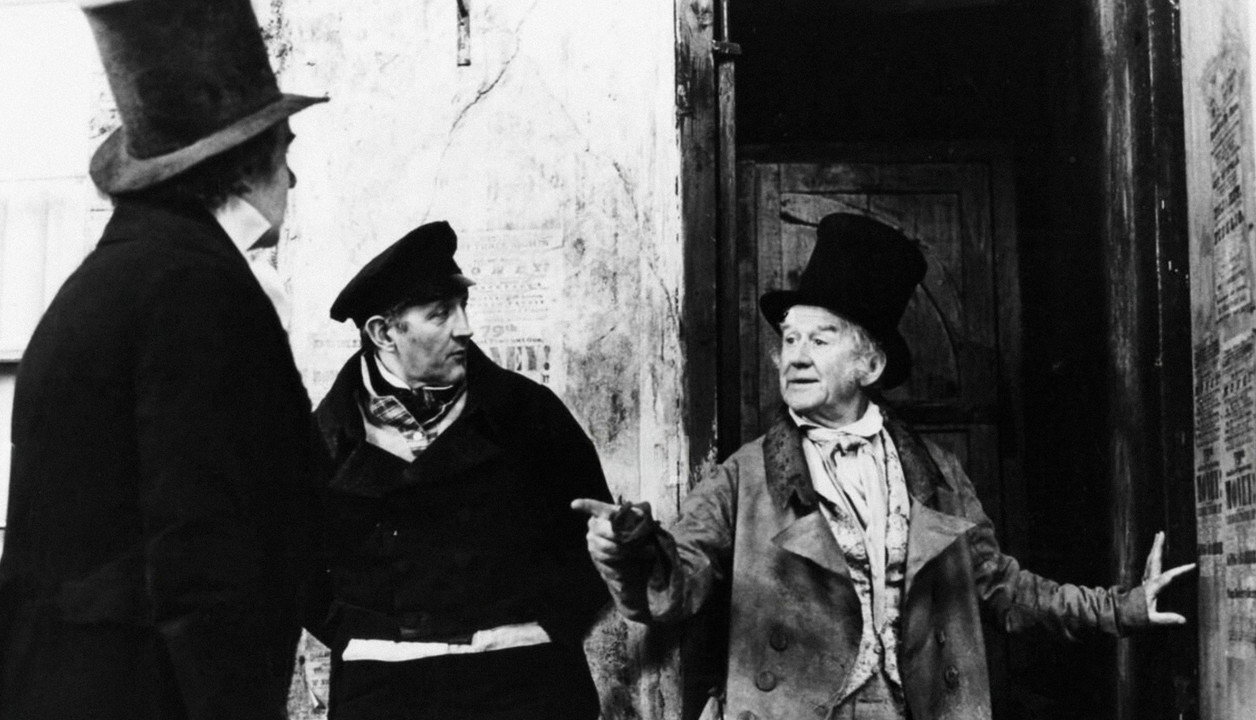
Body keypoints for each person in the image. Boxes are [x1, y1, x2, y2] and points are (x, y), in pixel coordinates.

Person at [573, 213, 1196, 720]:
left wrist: (1121, 609)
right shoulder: (747, 474)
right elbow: (680, 580)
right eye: (789, 340)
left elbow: (1004, 589)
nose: (795, 357)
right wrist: (632, 550)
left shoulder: (938, 474)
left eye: (820, 339)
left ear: (868, 365)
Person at [0, 2, 327, 719]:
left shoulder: (109, 278)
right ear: (243, 165)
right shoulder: (200, 291)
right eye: (285, 150)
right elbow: (203, 550)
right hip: (142, 691)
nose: (292, 181)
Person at [307, 221, 614, 720]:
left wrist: (540, 631)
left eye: (463, 307)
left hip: (525, 686)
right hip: (384, 692)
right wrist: (365, 636)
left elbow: (593, 540)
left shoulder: (530, 415)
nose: (465, 328)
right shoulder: (321, 441)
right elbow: (296, 570)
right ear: (383, 333)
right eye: (440, 313)